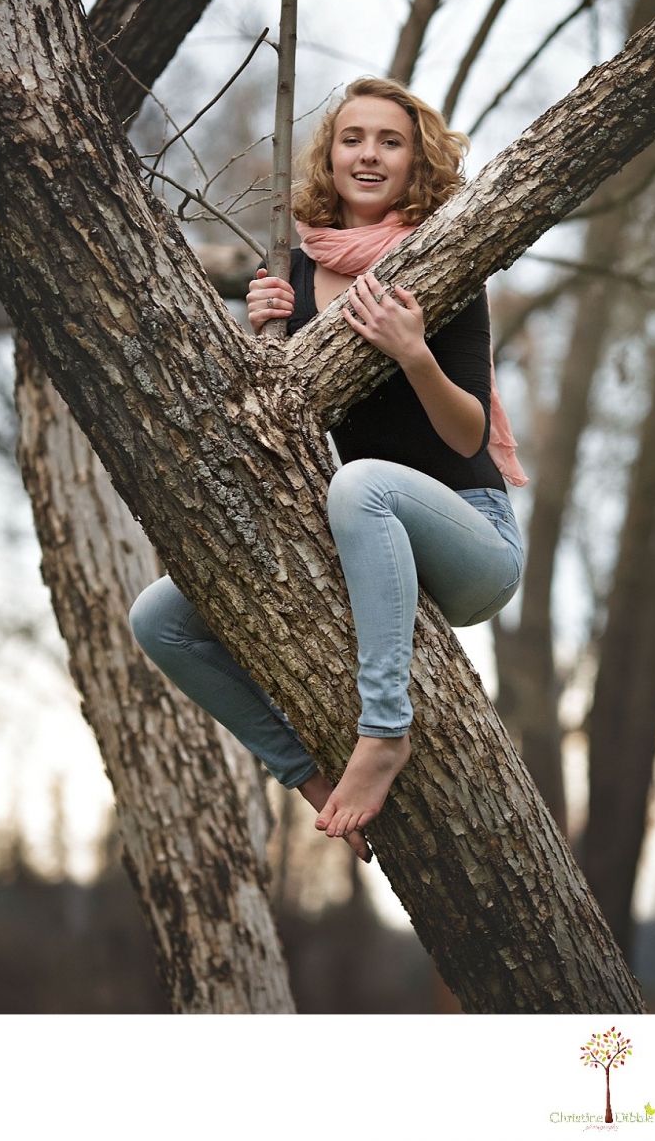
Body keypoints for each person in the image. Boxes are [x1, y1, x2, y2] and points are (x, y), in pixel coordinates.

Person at [129, 77, 526, 865]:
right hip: (365, 541)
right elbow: (274, 430)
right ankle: (306, 774)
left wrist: (413, 353)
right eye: (353, 139)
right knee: (158, 618)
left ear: (416, 161)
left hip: (470, 537)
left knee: (362, 481)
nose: (369, 155)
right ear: (331, 154)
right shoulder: (296, 272)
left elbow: (468, 432)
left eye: (390, 141)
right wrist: (262, 343)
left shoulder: (445, 262)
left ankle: (385, 729)